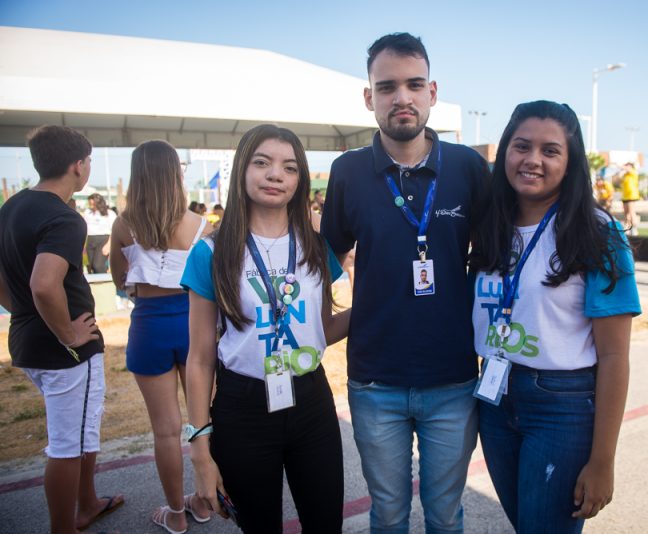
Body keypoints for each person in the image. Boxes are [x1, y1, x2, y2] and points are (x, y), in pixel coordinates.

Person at [321, 33, 489, 533]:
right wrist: (323, 322)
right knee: (388, 515)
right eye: (387, 87)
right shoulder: (348, 171)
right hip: (375, 382)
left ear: (432, 92)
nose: (402, 97)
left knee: (445, 516)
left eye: (415, 85)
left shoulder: (467, 167)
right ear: (369, 97)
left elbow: (495, 257)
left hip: (453, 379)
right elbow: (324, 259)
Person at [469, 100, 640, 533]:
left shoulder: (598, 232)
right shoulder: (489, 225)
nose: (533, 160)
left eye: (550, 151)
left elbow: (615, 357)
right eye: (522, 146)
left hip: (561, 406)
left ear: (570, 162)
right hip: (495, 398)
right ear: (505, 151)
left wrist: (603, 460)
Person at [182, 124, 350, 532]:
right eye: (262, 163)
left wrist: (378, 306)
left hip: (311, 400)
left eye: (289, 168)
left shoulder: (315, 246)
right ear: (242, 169)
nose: (276, 175)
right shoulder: (211, 252)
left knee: (326, 525)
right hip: (243, 408)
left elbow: (323, 329)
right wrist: (200, 447)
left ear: (299, 180)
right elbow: (200, 359)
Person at [0, 125, 124, 533]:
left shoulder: (12, 207)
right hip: (65, 351)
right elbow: (43, 284)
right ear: (78, 165)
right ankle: (64, 526)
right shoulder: (64, 217)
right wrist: (68, 335)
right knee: (67, 445)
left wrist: (21, 311)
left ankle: (87, 503)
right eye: (88, 161)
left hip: (27, 338)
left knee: (82, 431)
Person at [109, 140, 213, 533]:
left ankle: (176, 513)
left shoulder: (124, 224)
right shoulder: (200, 225)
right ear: (175, 174)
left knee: (165, 430)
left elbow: (120, 281)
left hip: (149, 326)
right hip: (194, 324)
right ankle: (204, 501)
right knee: (203, 421)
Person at [84, 193, 117, 273]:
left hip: (103, 240)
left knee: (98, 265)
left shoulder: (109, 213)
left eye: (93, 204)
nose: (91, 206)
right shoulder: (87, 212)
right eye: (90, 204)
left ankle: (103, 279)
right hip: (90, 239)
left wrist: (108, 245)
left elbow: (114, 230)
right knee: (91, 265)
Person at [619, 162, 640, 235]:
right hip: (625, 196)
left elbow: (627, 169)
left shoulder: (633, 172)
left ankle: (634, 228)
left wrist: (617, 165)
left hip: (632, 195)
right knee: (626, 214)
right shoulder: (625, 175)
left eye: (628, 166)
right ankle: (627, 228)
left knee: (632, 212)